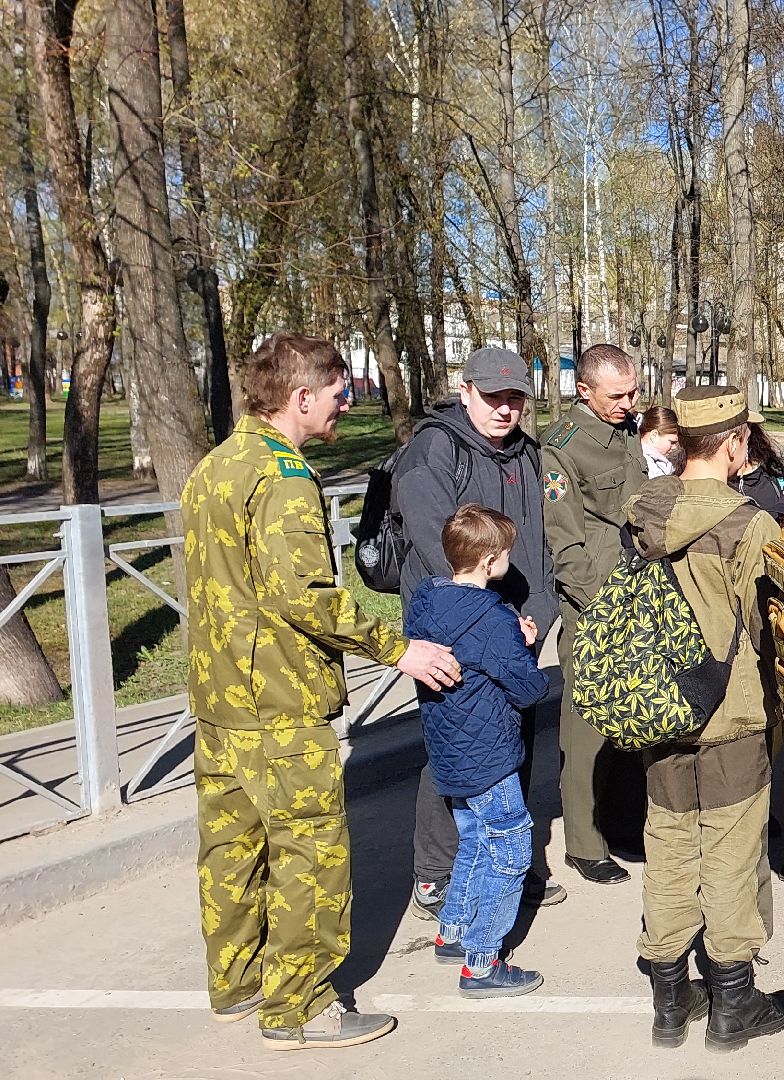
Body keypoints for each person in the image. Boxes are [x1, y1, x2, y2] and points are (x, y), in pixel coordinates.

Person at [183, 332, 459, 1049]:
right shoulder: (282, 477)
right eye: (339, 396)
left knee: (234, 849)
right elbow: (304, 598)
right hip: (277, 702)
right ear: (301, 398)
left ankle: (238, 983)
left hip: (220, 700)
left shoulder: (216, 465)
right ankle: (300, 1007)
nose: (347, 405)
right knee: (307, 851)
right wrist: (399, 647)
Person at [626, 385, 784, 1052]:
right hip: (731, 719)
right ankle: (732, 1006)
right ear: (733, 445)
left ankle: (670, 1005)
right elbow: (773, 624)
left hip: (658, 712)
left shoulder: (642, 509)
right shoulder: (749, 524)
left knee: (667, 848)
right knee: (729, 856)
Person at [400, 347, 566, 922]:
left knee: (511, 737)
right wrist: (492, 623)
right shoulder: (432, 450)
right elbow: (436, 547)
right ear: (464, 389)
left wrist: (536, 615)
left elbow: (543, 544)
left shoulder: (528, 453)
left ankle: (505, 865)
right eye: (493, 396)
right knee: (457, 745)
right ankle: (437, 873)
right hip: (455, 627)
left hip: (516, 621)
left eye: (514, 397)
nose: (504, 408)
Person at [409, 505, 551, 999]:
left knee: (471, 836)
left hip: (448, 747)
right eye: (507, 554)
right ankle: (482, 962)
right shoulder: (491, 619)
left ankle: (453, 932)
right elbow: (529, 689)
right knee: (510, 848)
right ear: (491, 562)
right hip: (489, 751)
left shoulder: (427, 600)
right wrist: (525, 644)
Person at [541, 343, 650, 886]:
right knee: (586, 726)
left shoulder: (625, 431)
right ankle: (585, 843)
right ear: (583, 391)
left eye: (632, 391)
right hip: (594, 603)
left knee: (634, 717)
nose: (631, 403)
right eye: (618, 395)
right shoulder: (562, 447)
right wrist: (602, 606)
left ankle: (626, 825)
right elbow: (565, 544)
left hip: (639, 590)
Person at [639, 405, 681, 477]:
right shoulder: (645, 466)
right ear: (654, 436)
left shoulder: (659, 461)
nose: (674, 447)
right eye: (671, 442)